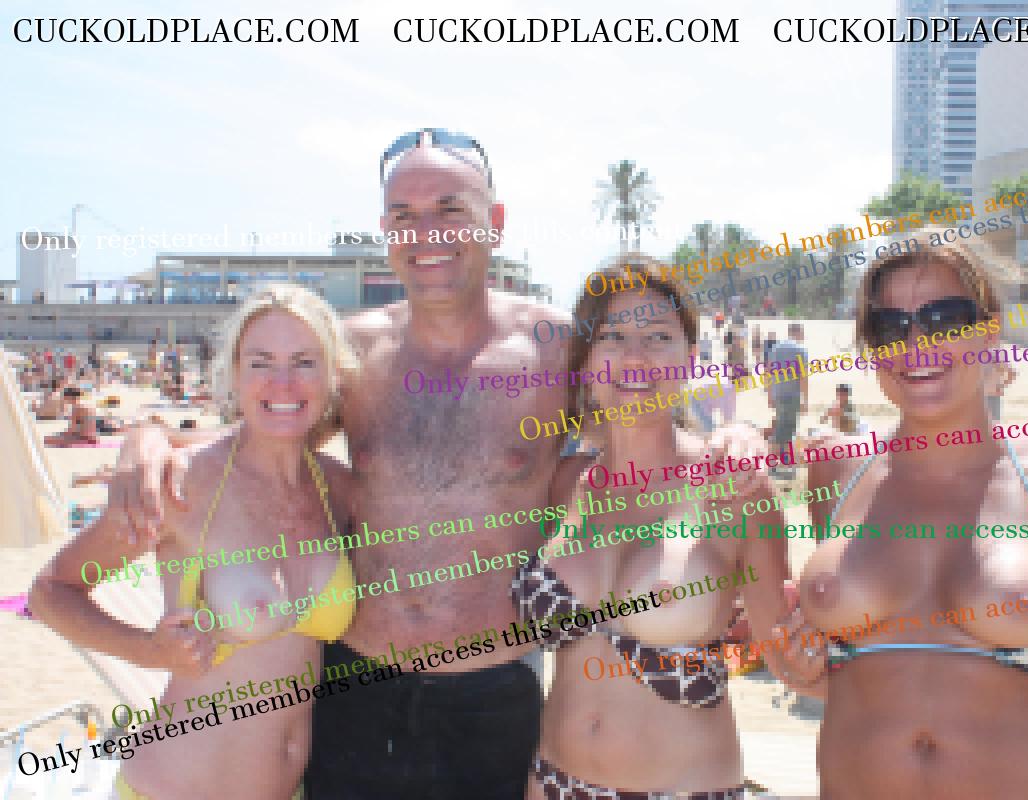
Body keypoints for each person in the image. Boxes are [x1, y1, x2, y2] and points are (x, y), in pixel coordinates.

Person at [107, 128, 771, 798]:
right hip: (357, 688)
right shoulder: (353, 352)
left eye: (451, 210)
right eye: (405, 215)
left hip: (494, 696)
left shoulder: (552, 349)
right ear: (386, 233)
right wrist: (151, 435)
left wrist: (737, 432)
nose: (428, 232)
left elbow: (642, 416)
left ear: (495, 223)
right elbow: (261, 436)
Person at [782, 240, 1028, 799]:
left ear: (989, 330)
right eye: (890, 327)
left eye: (944, 319)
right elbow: (847, 671)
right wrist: (799, 668)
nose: (916, 345)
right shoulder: (836, 471)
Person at [30, 285, 359, 799]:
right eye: (261, 362)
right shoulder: (184, 484)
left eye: (304, 362)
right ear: (234, 375)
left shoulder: (335, 489)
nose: (283, 381)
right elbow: (51, 591)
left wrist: (150, 431)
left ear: (332, 375)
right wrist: (148, 650)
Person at [516, 260, 792, 798]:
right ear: (587, 362)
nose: (635, 356)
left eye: (658, 337)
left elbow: (786, 654)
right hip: (552, 782)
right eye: (612, 336)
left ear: (690, 357)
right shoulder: (564, 483)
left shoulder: (734, 490)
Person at [766, 324, 809, 472]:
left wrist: (769, 394)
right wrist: (805, 400)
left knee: (781, 426)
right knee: (787, 429)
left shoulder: (775, 349)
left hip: (778, 393)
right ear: (798, 332)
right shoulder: (800, 350)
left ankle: (782, 462)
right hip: (792, 394)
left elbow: (768, 373)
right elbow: (803, 377)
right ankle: (776, 462)